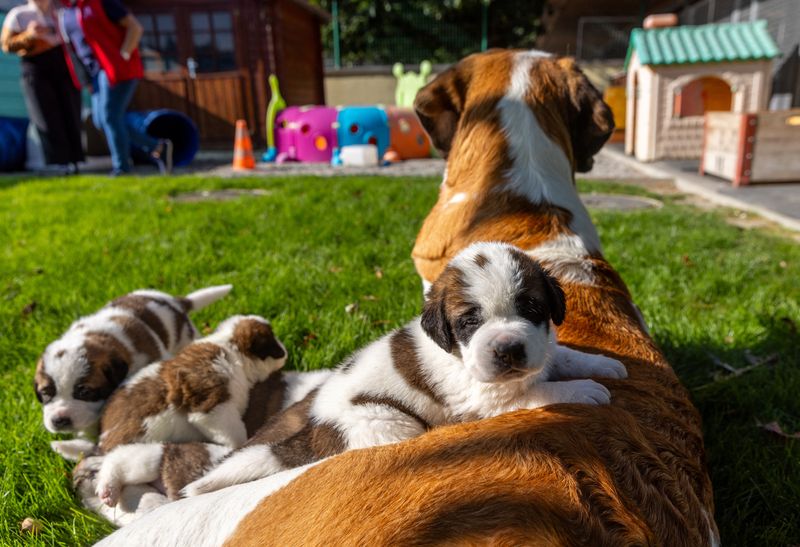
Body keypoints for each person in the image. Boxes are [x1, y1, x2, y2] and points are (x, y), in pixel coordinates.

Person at [58, 0, 172, 175]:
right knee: (101, 120)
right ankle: (156, 146)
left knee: (110, 117)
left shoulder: (100, 3)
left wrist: (123, 56)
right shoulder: (66, 13)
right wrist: (85, 78)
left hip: (115, 68)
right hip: (94, 74)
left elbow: (135, 27)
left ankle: (122, 167)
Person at [1, 0, 84, 173]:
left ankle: (75, 160)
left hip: (63, 65)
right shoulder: (19, 14)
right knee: (46, 115)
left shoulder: (62, 11)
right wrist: (30, 35)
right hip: (36, 67)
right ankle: (59, 162)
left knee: (70, 111)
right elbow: (7, 45)